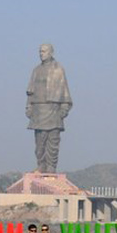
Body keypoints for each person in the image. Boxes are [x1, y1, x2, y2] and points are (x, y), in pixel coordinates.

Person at [25, 43, 73, 174]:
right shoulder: (36, 70)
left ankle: (51, 167)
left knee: (52, 142)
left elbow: (64, 91)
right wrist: (29, 106)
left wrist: (64, 109)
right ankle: (41, 165)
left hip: (53, 110)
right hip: (38, 111)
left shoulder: (58, 69)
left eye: (44, 51)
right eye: (40, 51)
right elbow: (30, 92)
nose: (41, 54)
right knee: (39, 143)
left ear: (51, 53)